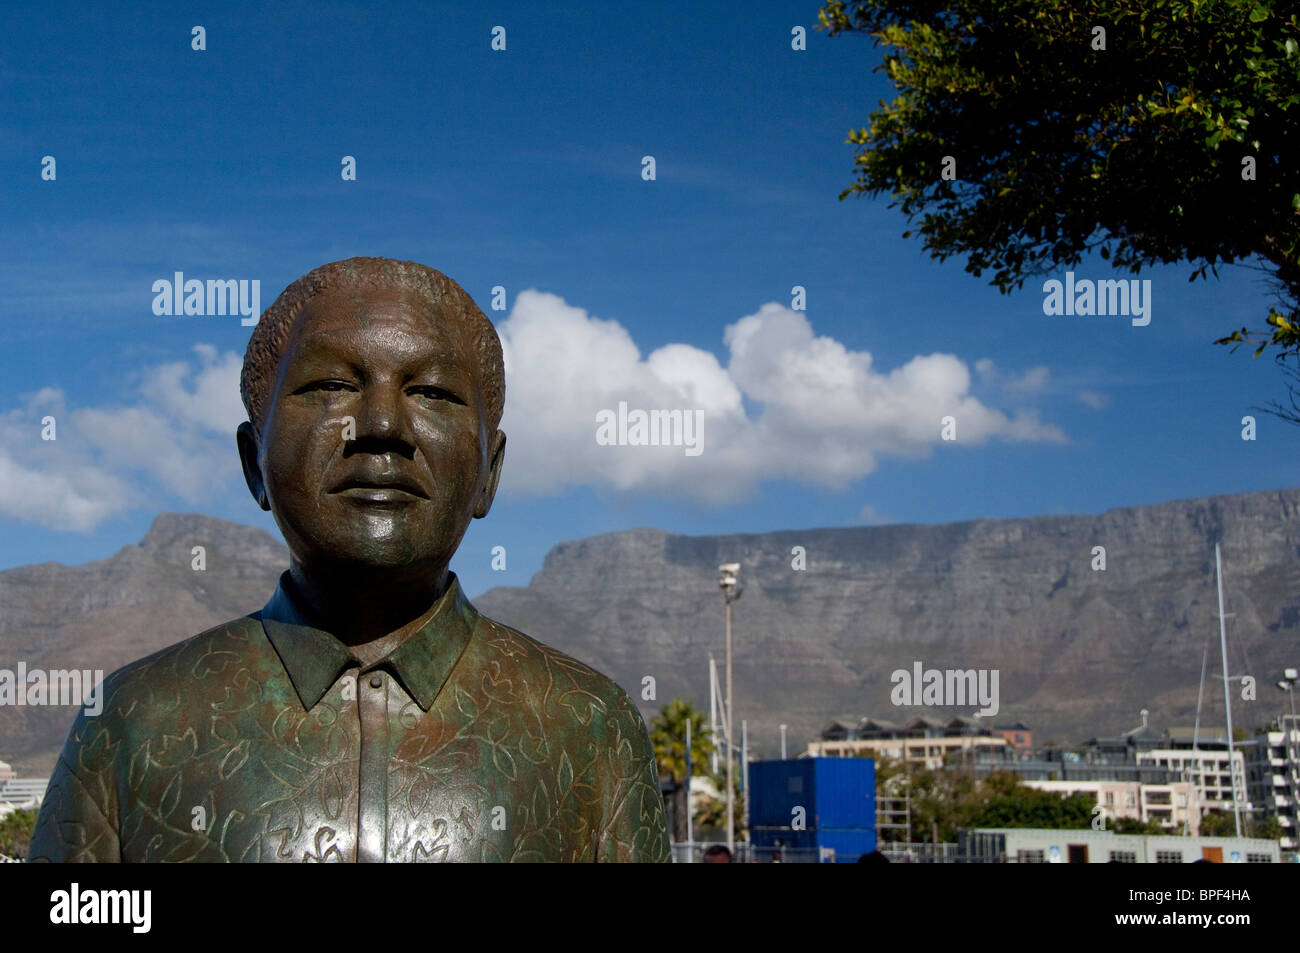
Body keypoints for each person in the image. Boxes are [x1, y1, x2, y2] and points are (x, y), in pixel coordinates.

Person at [29, 257, 670, 863]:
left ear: (488, 475)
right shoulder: (132, 719)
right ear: (255, 461)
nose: (382, 423)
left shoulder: (591, 728)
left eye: (435, 393)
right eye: (332, 385)